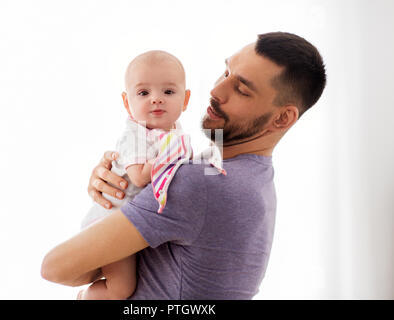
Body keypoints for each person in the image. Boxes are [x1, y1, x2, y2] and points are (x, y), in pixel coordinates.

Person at [41, 32, 326, 299]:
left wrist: (114, 209)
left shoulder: (198, 183)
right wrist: (119, 178)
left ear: (282, 119)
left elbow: (54, 267)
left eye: (241, 89)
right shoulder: (253, 176)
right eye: (226, 72)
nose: (215, 90)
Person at [75, 50, 191, 299]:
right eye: (144, 93)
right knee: (120, 288)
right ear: (127, 103)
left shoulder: (176, 134)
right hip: (111, 223)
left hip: (136, 224)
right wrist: (170, 157)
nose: (156, 99)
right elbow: (139, 177)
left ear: (186, 99)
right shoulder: (134, 136)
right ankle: (85, 297)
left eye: (168, 92)